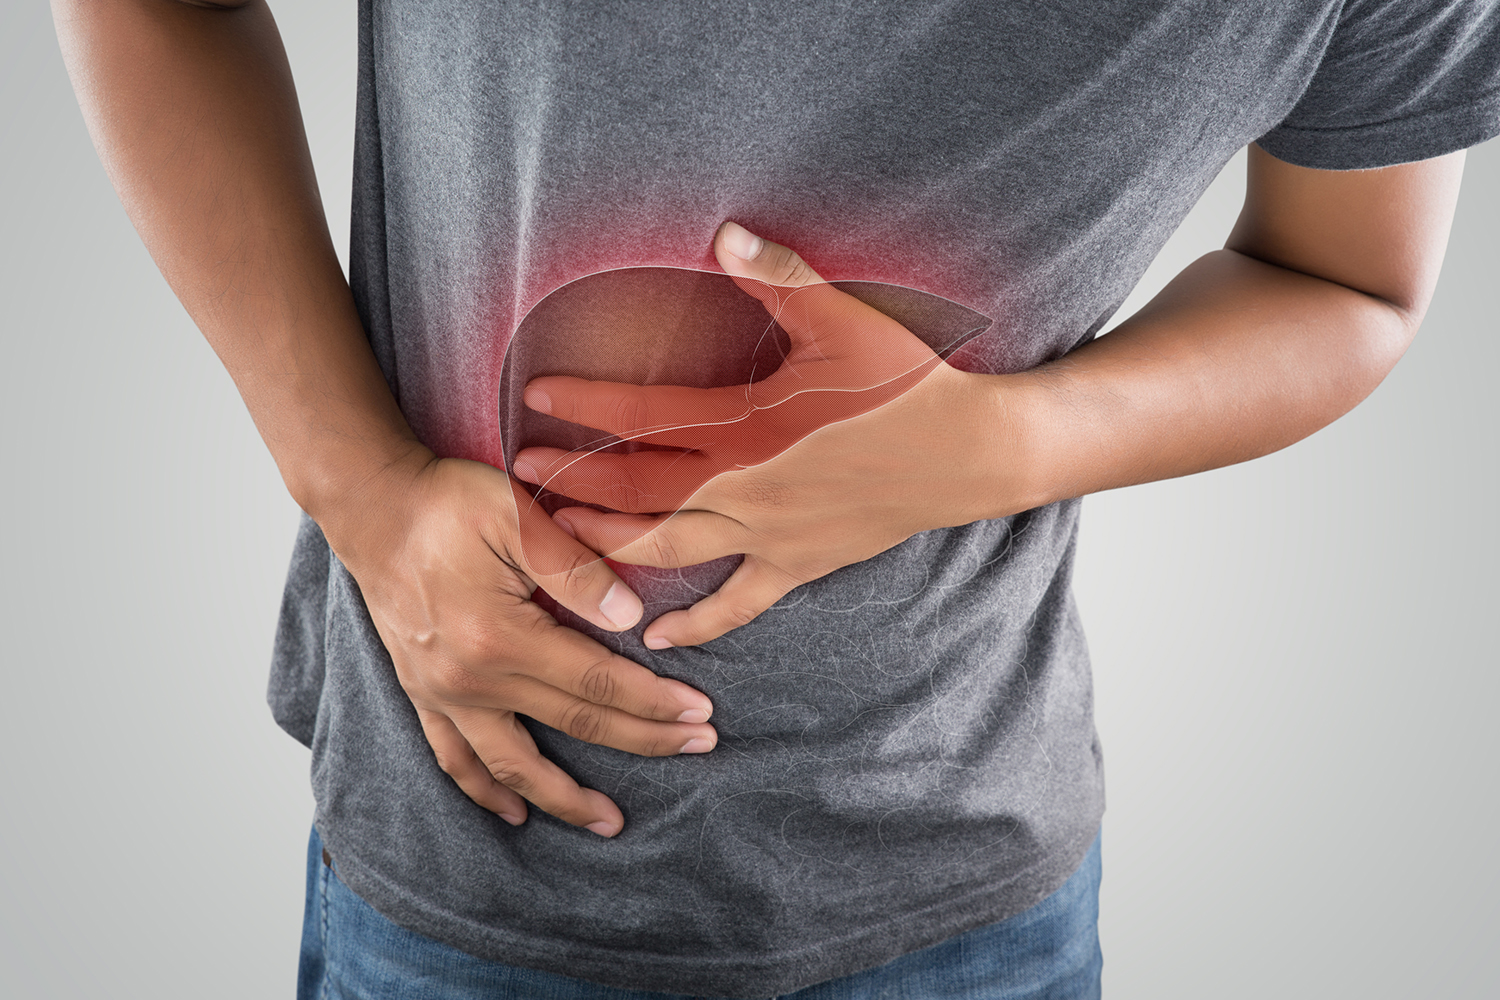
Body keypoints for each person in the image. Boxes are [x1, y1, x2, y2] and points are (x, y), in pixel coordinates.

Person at [53, 0, 1500, 997]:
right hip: (472, 869)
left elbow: (1348, 280)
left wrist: (1002, 445)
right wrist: (360, 487)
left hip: (964, 884)